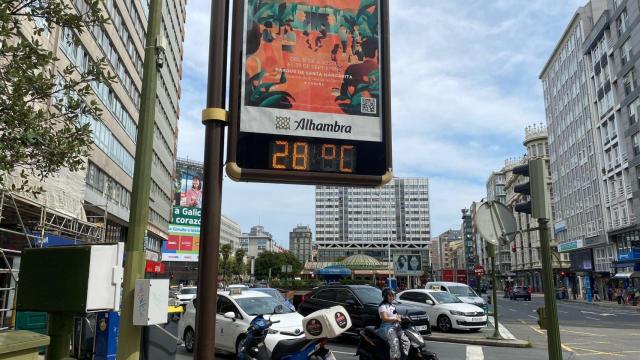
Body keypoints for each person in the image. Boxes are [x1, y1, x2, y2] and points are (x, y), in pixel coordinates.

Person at [377, 288, 409, 360]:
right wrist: (395, 319)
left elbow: (397, 316)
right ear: (385, 296)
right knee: (395, 344)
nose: (392, 297)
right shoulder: (382, 306)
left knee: (406, 341)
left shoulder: (393, 306)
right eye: (390, 295)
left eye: (393, 295)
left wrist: (402, 318)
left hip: (397, 326)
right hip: (387, 328)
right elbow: (384, 318)